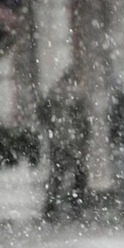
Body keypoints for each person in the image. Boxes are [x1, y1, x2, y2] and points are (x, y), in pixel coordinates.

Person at [38, 70, 90, 222]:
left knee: (57, 175)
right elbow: (84, 121)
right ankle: (75, 206)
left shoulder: (53, 93)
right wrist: (84, 140)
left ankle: (50, 207)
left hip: (58, 140)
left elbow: (43, 114)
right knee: (79, 175)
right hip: (74, 141)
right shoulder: (78, 95)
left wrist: (52, 130)